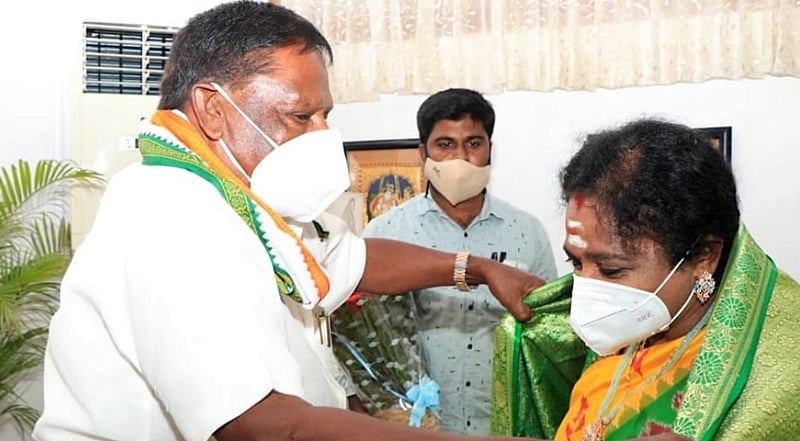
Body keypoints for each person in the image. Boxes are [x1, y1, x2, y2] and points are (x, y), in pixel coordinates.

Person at [31, 3, 548, 441]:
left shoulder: (250, 195)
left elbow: (359, 261)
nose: (323, 136)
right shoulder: (168, 216)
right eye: (302, 117)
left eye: (326, 115)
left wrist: (475, 267)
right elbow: (263, 425)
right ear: (214, 109)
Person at [497, 118, 800, 440]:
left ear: (704, 257)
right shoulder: (643, 326)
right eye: (577, 264)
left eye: (612, 269)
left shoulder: (789, 372)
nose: (586, 289)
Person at [363, 88, 558, 435]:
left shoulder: (527, 232)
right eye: (445, 144)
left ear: (489, 150)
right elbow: (367, 335)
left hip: (505, 426)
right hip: (418, 428)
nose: (460, 158)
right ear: (423, 153)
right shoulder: (385, 233)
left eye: (473, 143)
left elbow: (548, 335)